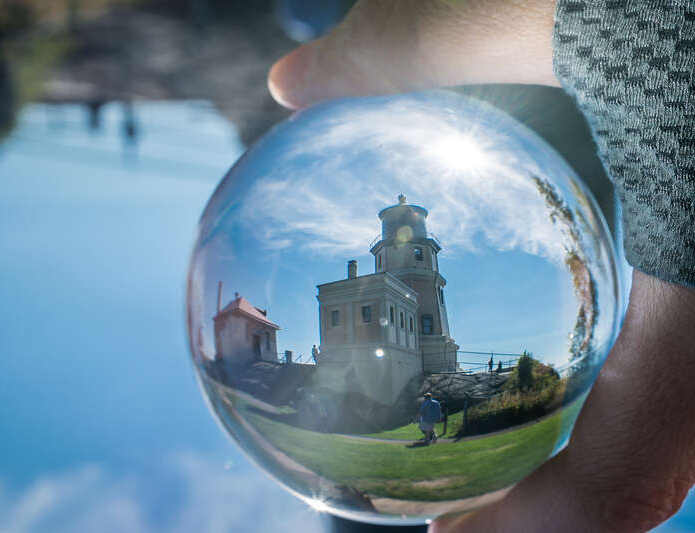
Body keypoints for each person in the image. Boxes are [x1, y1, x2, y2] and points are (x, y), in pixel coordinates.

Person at [268, 2, 695, 531]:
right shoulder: (394, 275)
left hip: (540, 95)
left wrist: (622, 34)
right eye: (401, 233)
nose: (406, 236)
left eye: (410, 232)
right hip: (537, 94)